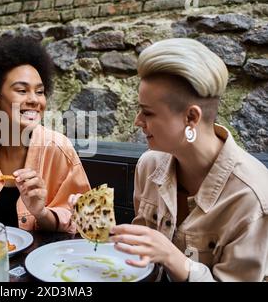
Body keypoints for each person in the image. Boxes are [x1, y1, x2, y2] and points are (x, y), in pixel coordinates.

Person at [106, 38, 268, 281]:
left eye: (147, 112)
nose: (137, 121)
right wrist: (97, 224)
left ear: (191, 117)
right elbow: (140, 257)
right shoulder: (149, 165)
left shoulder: (252, 197)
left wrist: (174, 258)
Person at [0, 35, 90, 232]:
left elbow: (82, 222)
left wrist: (42, 213)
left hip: (41, 260)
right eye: (22, 90)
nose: (34, 100)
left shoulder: (58, 148)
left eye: (39, 91)